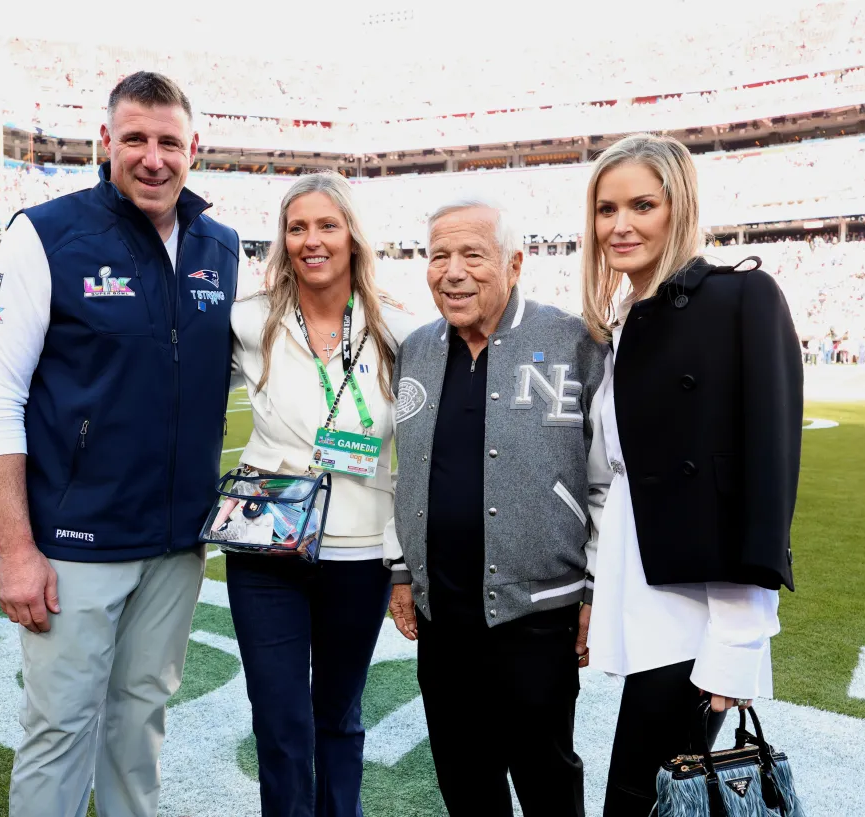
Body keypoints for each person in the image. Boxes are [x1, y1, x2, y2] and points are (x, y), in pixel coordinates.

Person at [0, 72, 240, 817]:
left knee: (139, 730)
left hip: (177, 543)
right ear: (105, 143)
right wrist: (17, 548)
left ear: (194, 149)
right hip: (74, 547)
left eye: (169, 142)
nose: (153, 159)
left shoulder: (222, 245)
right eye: (136, 139)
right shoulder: (46, 233)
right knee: (59, 731)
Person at [578, 134, 802, 816]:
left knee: (639, 802)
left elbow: (763, 479)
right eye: (606, 208)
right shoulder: (623, 324)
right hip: (640, 603)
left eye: (642, 204)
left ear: (679, 207)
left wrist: (735, 644)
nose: (620, 225)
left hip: (696, 618)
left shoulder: (742, 297)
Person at [385, 199, 610, 817]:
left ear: (514, 263)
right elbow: (404, 472)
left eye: (471, 255)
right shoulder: (416, 350)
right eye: (438, 257)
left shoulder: (575, 342)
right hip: (441, 614)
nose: (452, 272)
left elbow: (607, 482)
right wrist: (403, 570)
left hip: (537, 612)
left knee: (545, 775)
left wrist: (595, 585)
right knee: (463, 776)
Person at [228, 172, 417, 817]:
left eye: (327, 225)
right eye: (297, 227)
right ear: (283, 240)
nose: (312, 241)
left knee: (338, 715)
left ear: (353, 236)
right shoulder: (249, 322)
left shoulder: (399, 329)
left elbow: (417, 457)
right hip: (266, 548)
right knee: (280, 723)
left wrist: (402, 562)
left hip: (358, 554)